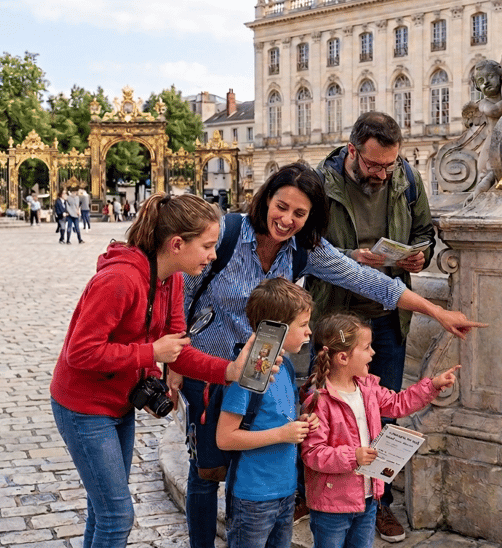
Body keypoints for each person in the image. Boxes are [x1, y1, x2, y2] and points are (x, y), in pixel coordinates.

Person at [173, 163, 485, 548]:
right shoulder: (227, 235)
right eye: (281, 206)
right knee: (205, 471)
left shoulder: (306, 248)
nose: (286, 219)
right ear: (266, 199)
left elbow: (369, 280)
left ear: (312, 217)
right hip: (209, 368)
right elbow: (180, 293)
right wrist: (175, 361)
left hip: (265, 373)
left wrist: (436, 312)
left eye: (299, 213)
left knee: (253, 458)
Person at [51, 192, 269, 548]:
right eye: (209, 246)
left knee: (102, 509)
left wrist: (230, 370)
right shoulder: (120, 280)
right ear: (177, 244)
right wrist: (149, 353)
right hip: (83, 408)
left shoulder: (174, 279)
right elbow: (80, 352)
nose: (214, 255)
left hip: (118, 403)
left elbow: (179, 355)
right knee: (117, 515)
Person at [312, 111, 435, 542]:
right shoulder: (320, 184)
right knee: (326, 410)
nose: (382, 173)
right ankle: (318, 496)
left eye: (389, 165)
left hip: (387, 317)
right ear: (352, 151)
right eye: (373, 165)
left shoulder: (407, 179)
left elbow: (425, 231)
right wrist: (352, 257)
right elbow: (309, 248)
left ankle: (377, 503)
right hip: (336, 315)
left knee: (381, 412)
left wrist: (421, 256)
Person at [300, 313, 459, 548]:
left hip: (368, 499)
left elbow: (398, 403)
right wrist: (352, 456)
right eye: (366, 347)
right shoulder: (319, 400)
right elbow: (312, 454)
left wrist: (432, 386)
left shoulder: (368, 388)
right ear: (343, 357)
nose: (373, 353)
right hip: (331, 505)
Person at [215, 278, 321, 548]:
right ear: (277, 330)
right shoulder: (248, 375)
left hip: (285, 493)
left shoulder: (284, 366)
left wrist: (299, 424)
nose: (309, 332)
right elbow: (225, 438)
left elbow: (277, 419)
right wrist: (283, 434)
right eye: (303, 325)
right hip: (253, 497)